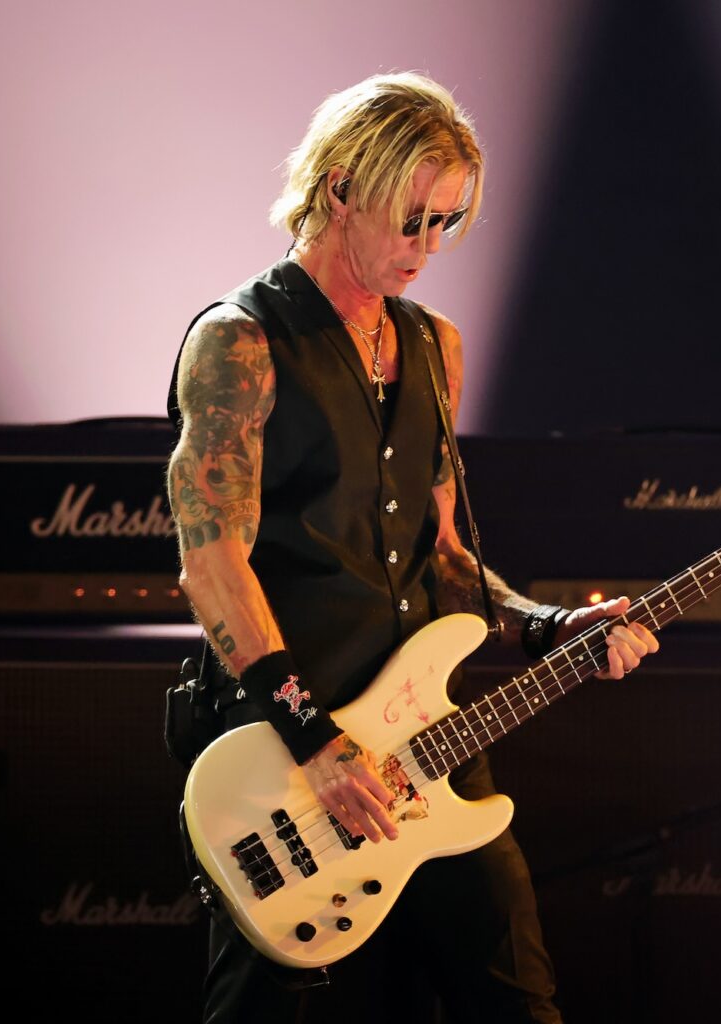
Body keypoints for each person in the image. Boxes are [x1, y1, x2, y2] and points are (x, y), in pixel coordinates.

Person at [166, 71, 658, 1023]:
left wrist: (547, 624)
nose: (429, 247)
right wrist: (316, 740)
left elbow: (439, 553)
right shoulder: (242, 342)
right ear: (341, 186)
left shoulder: (435, 347)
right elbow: (210, 560)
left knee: (519, 1001)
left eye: (449, 221)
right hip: (284, 751)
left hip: (423, 743)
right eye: (412, 217)